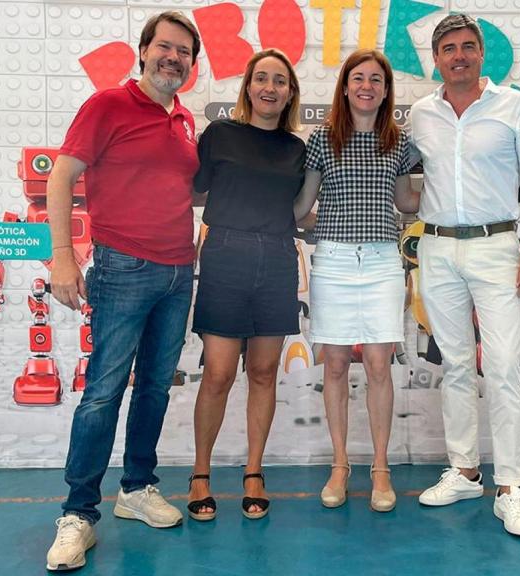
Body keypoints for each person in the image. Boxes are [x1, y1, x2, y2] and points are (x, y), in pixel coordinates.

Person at [42, 11, 201, 571]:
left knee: (155, 386)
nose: (173, 57)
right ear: (143, 50)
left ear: (192, 64)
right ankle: (78, 514)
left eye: (184, 51)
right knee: (104, 390)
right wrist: (64, 257)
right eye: (165, 47)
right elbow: (61, 176)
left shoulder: (183, 119)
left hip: (179, 272)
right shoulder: (107, 104)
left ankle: (136, 488)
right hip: (122, 268)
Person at [408, 13, 520, 537]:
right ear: (437, 58)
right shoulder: (420, 114)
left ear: (481, 54)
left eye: (468, 46)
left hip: (498, 247)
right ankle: (465, 470)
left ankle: (512, 486)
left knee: (500, 367)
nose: (459, 56)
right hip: (437, 247)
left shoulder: (514, 106)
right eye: (448, 48)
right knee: (453, 364)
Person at [292, 49, 418, 513]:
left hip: (384, 262)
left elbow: (406, 203)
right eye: (358, 78)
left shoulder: (400, 142)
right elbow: (302, 206)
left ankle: (380, 468)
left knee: (381, 365)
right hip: (334, 264)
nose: (367, 86)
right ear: (345, 86)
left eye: (376, 80)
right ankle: (340, 464)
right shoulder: (323, 139)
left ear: (386, 91)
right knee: (337, 366)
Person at [185, 49, 305, 522]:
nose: (269, 87)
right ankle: (200, 474)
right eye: (261, 78)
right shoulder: (220, 134)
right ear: (249, 86)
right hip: (225, 257)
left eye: (279, 80)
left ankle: (254, 472)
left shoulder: (297, 149)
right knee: (217, 373)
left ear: (290, 92)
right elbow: (192, 189)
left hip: (277, 257)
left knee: (262, 372)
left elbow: (300, 210)